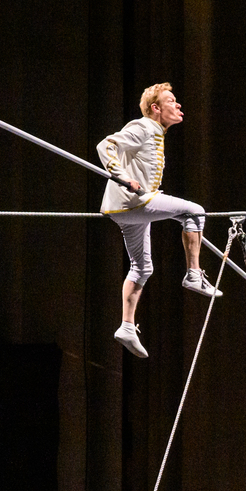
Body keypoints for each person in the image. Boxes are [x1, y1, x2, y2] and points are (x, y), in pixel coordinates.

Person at [98, 82, 221, 359]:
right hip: (133, 203)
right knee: (194, 211)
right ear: (156, 108)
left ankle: (126, 327)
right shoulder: (143, 127)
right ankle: (193, 274)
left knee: (142, 268)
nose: (178, 105)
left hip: (128, 209)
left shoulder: (155, 133)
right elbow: (106, 145)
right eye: (172, 101)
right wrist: (121, 177)